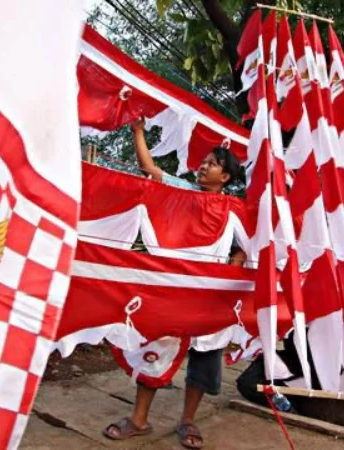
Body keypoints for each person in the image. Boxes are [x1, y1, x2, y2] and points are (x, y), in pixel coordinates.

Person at [102, 117, 246, 449]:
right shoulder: (182, 190)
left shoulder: (233, 208)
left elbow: (250, 241)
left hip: (211, 294)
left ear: (224, 177)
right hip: (174, 287)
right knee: (157, 344)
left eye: (211, 164)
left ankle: (187, 422)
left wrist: (235, 261)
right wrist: (138, 132)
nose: (203, 166)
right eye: (204, 162)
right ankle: (138, 420)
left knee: (204, 355)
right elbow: (151, 169)